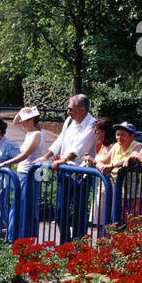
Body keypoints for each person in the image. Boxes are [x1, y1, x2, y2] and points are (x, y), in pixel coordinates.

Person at [37, 95, 97, 243]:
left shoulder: (92, 125)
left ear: (82, 109)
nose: (68, 111)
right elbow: (60, 141)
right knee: (59, 211)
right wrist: (47, 156)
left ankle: (78, 246)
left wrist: (63, 159)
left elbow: (80, 147)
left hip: (81, 173)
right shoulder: (69, 121)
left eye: (70, 109)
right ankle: (65, 242)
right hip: (64, 171)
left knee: (78, 213)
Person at [0, 107, 45, 187]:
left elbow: (24, 155)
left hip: (29, 173)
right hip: (25, 172)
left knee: (26, 199)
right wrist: (21, 111)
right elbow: (15, 122)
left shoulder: (36, 135)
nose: (21, 121)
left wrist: (3, 164)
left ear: (31, 120)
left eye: (23, 120)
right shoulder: (30, 133)